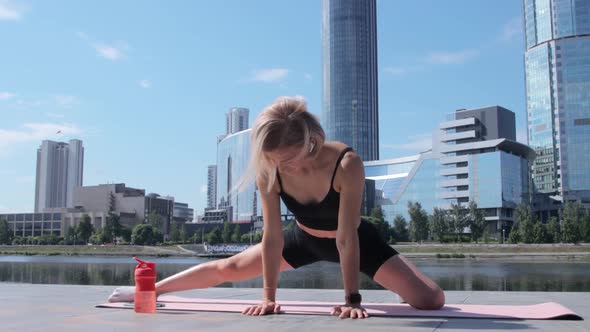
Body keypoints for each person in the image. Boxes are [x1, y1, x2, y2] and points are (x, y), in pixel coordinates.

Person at [108, 96, 445, 319]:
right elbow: (271, 239)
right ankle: (149, 288)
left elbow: (346, 238)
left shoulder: (346, 164)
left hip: (354, 240)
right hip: (303, 237)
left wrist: (352, 299)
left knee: (430, 301)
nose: (282, 167)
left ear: (309, 142)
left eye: (289, 160)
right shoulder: (270, 171)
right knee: (229, 267)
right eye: (274, 161)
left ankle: (404, 276)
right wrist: (269, 297)